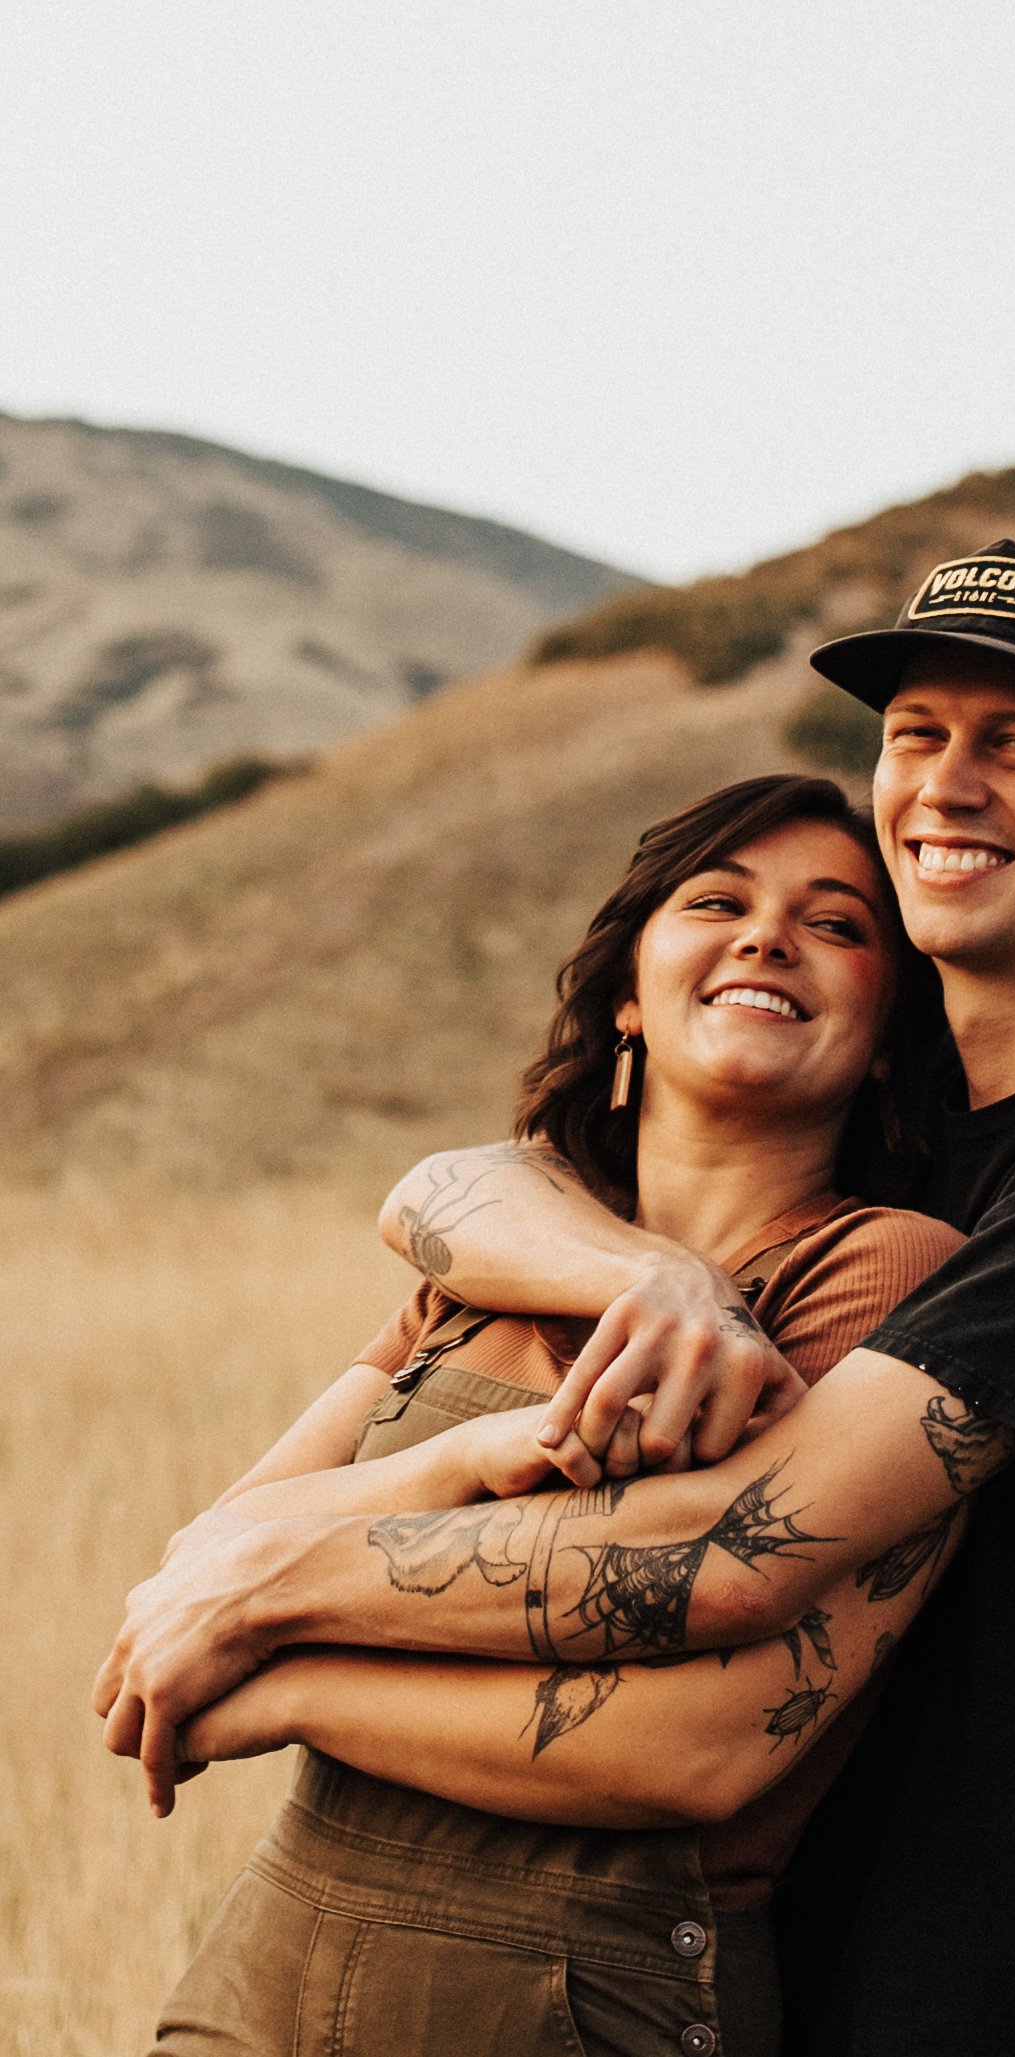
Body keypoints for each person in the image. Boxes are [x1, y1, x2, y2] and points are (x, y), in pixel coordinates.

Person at [98, 540, 1015, 2057]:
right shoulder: (925, 1129)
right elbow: (453, 1189)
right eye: (916, 738)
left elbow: (730, 1558)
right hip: (789, 1954)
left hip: (1004, 1979)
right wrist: (648, 1274)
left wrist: (267, 1618)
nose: (947, 786)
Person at [110, 774, 964, 2057]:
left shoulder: (877, 1268)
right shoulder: (493, 1258)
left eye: (837, 924)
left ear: (889, 1027)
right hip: (266, 1962)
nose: (767, 935)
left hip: (582, 1989)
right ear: (628, 992)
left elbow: (699, 1754)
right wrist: (470, 1456)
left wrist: (281, 1682)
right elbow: (213, 1547)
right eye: (717, 899)